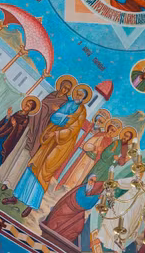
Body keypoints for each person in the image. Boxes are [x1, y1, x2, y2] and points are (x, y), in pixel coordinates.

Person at [12, 86, 89, 216]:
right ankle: (16, 196)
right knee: (34, 165)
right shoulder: (69, 103)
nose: (78, 96)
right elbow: (54, 117)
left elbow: (73, 129)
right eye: (77, 93)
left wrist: (59, 127)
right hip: (50, 138)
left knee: (45, 172)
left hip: (61, 144)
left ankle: (31, 205)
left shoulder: (81, 112)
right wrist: (62, 118)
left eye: (81, 95)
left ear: (84, 98)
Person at [0, 78, 74, 192]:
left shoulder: (65, 103)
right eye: (64, 86)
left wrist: (57, 112)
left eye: (67, 89)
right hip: (32, 125)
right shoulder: (52, 94)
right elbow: (40, 107)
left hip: (42, 131)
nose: (64, 90)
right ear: (60, 85)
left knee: (25, 156)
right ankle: (1, 174)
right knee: (17, 150)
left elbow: (61, 120)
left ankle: (9, 182)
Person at [43, 176, 104, 242]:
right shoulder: (81, 188)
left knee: (79, 226)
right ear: (88, 180)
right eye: (91, 180)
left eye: (94, 182)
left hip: (77, 211)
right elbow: (81, 201)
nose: (92, 183)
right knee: (57, 220)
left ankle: (63, 239)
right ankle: (50, 233)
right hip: (69, 207)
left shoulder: (89, 190)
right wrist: (97, 197)